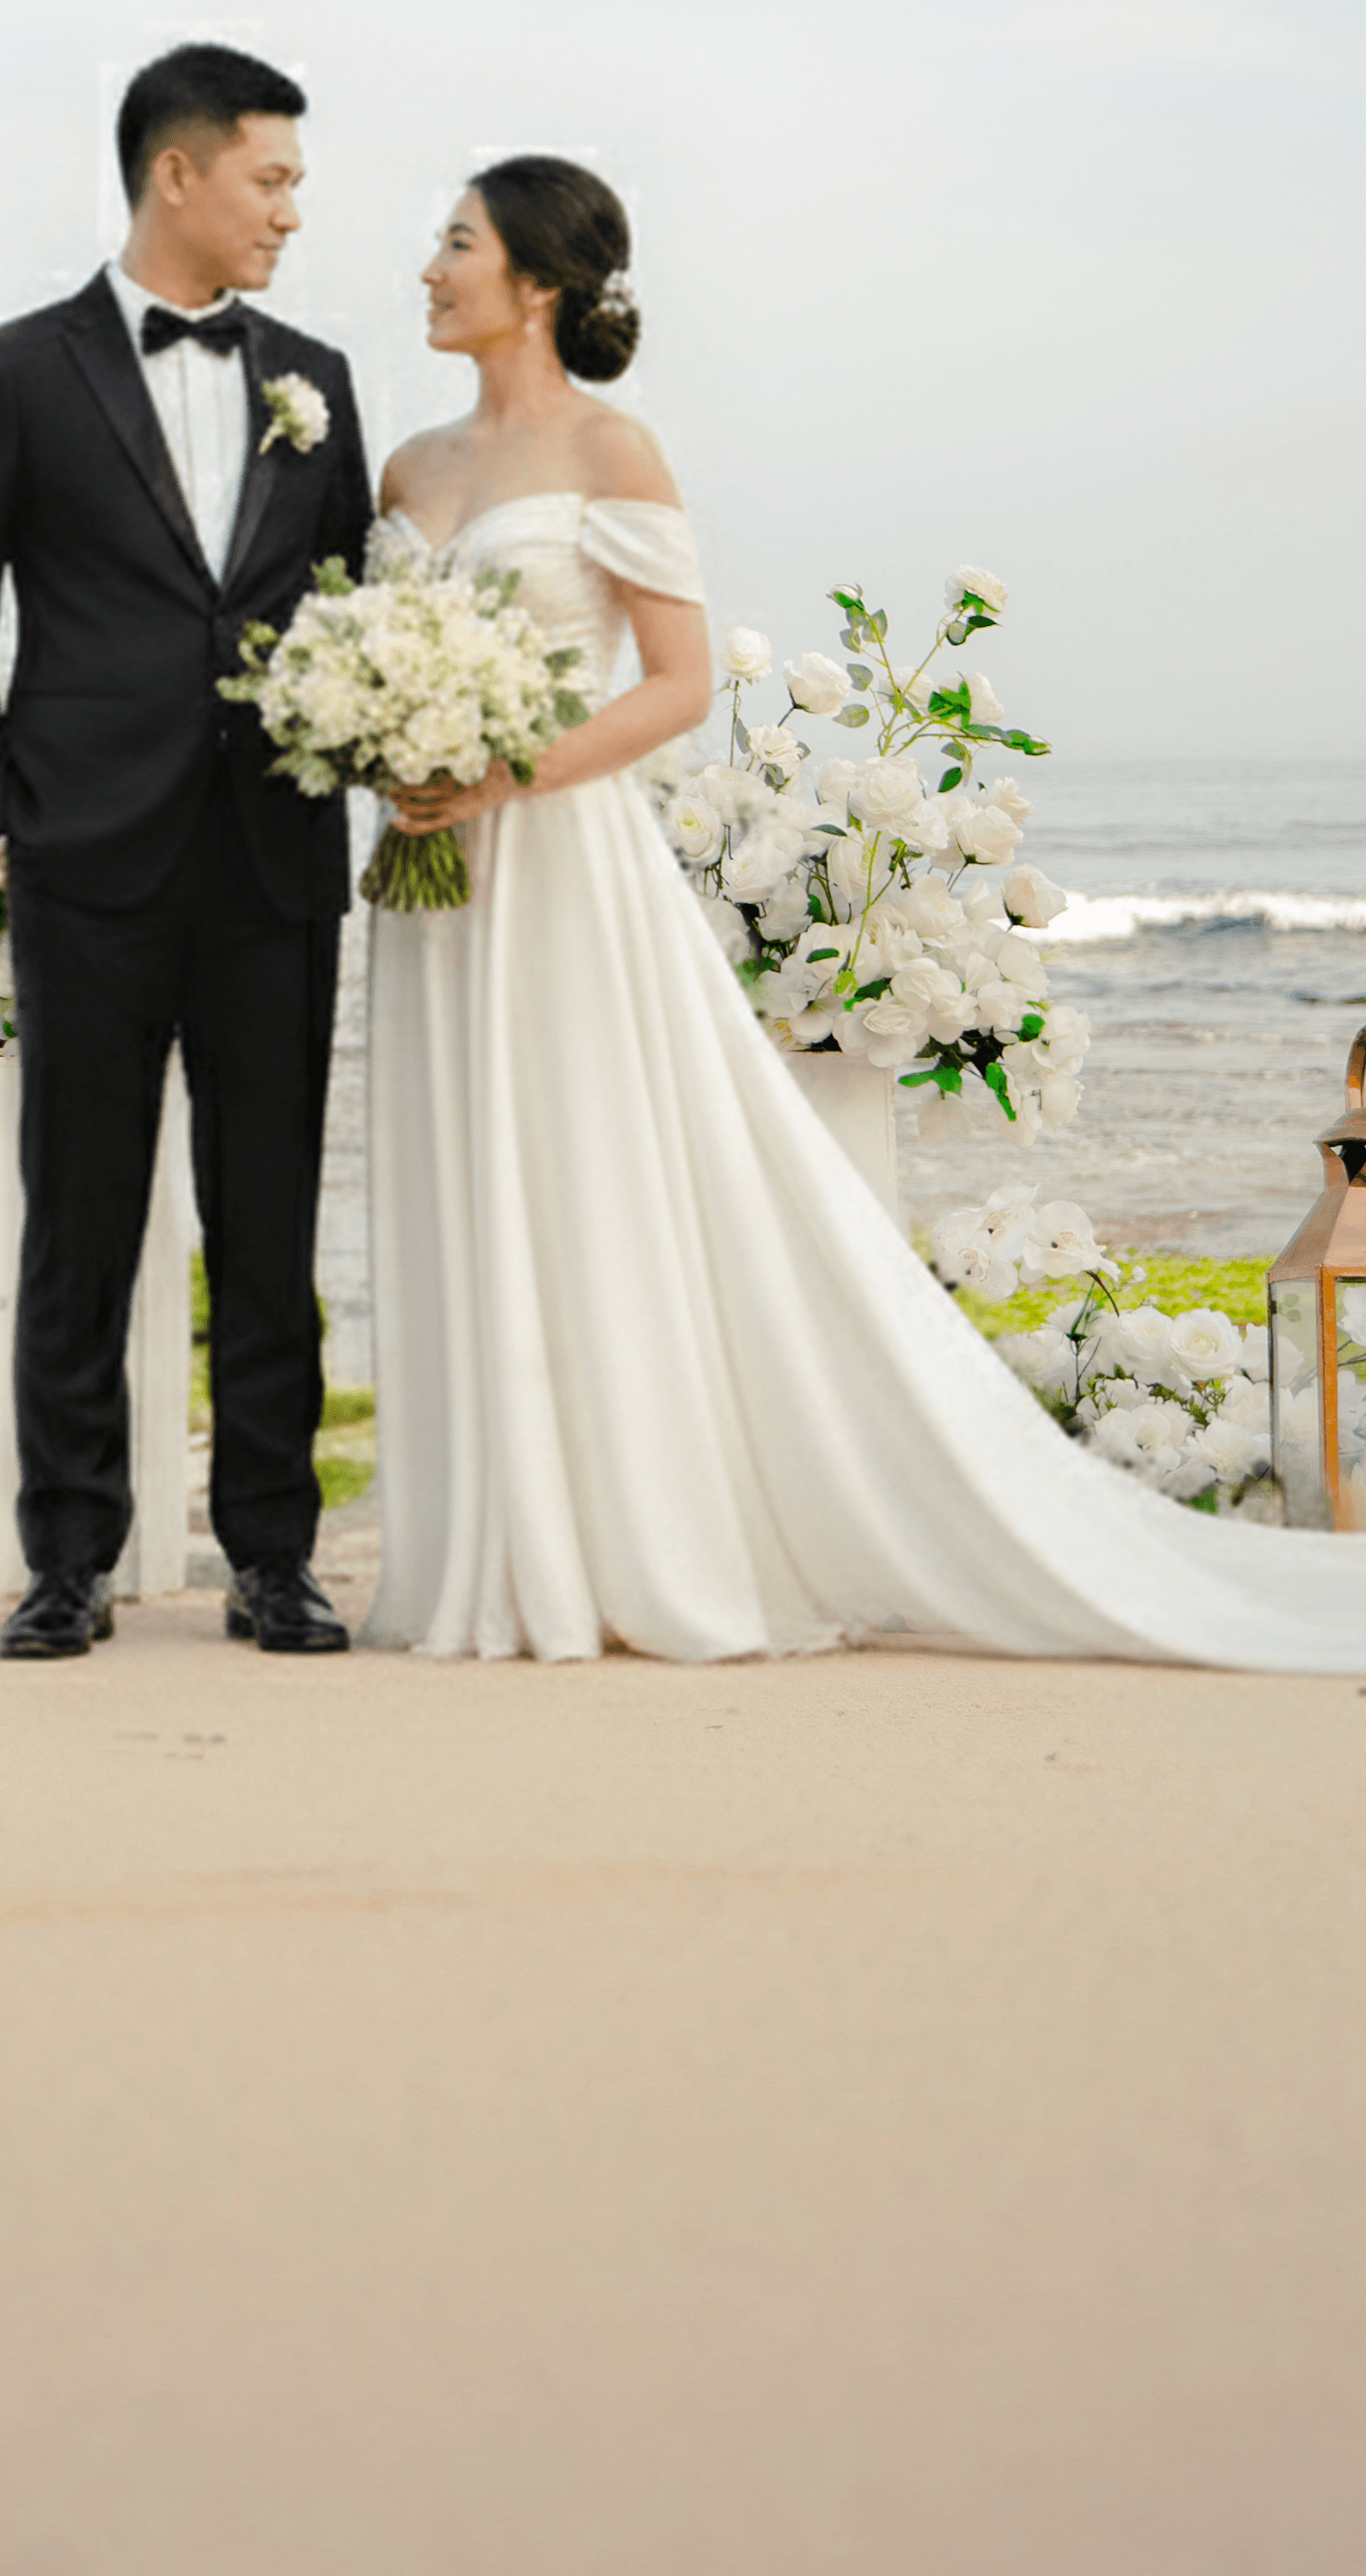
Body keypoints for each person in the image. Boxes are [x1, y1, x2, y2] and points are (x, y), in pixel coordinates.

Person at [365, 153, 1366, 1670]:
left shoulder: (613, 449)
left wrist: (508, 770)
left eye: (455, 244)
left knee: (590, 1170)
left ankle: (623, 1542)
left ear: (538, 284)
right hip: (432, 885)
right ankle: (491, 1552)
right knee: (468, 1167)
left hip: (563, 866)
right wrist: (388, 752)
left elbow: (678, 686)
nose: (428, 269)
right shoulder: (410, 473)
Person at [0, 44, 374, 1657]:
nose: (292, 212)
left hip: (271, 868)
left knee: (269, 1228)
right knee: (81, 1219)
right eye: (273, 178)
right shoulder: (10, 372)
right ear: (177, 173)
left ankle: (273, 1561)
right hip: (85, 863)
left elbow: (355, 613)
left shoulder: (318, 375)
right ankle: (67, 1563)